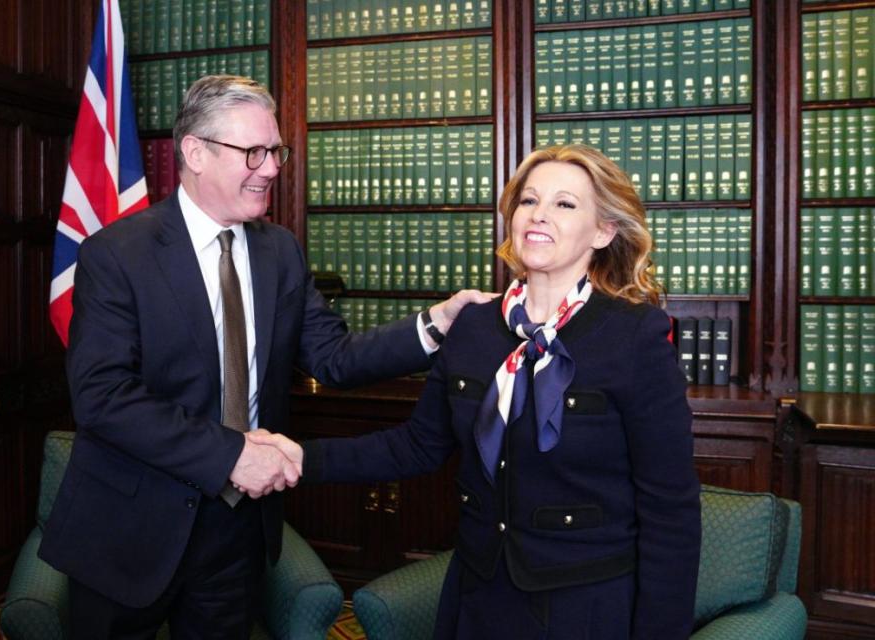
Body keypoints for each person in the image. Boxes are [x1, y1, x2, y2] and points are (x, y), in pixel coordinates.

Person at [38, 74, 491, 639]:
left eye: (275, 151)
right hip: (129, 528)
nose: (273, 167)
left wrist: (436, 322)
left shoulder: (279, 250)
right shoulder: (118, 253)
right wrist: (231, 454)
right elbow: (102, 398)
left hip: (238, 528)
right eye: (253, 151)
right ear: (195, 152)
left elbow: (335, 356)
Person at [259, 144, 702, 638]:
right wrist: (298, 458)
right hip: (479, 592)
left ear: (603, 231)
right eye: (528, 201)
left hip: (586, 603)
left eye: (564, 204)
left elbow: (671, 509)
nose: (538, 215)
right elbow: (418, 445)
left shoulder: (636, 336)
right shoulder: (472, 326)